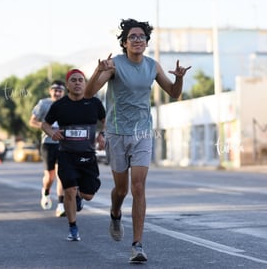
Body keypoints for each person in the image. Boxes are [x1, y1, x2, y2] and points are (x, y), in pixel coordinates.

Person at [84, 18, 191, 263]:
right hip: (117, 133)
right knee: (121, 190)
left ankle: (137, 245)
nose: (137, 40)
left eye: (141, 37)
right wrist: (98, 71)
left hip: (143, 133)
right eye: (132, 37)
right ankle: (115, 212)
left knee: (139, 187)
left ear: (146, 42)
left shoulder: (153, 66)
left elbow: (174, 94)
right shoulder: (114, 65)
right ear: (124, 43)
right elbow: (89, 93)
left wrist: (180, 78)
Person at [41, 69, 106, 241]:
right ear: (68, 84)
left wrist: (102, 135)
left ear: (85, 84)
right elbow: (45, 124)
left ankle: (80, 196)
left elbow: (107, 120)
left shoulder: (94, 103)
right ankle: (73, 228)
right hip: (66, 155)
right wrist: (51, 133)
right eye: (74, 80)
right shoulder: (60, 105)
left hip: (87, 156)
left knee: (88, 195)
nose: (77, 83)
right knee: (68, 190)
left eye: (80, 80)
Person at [29, 80, 66, 217]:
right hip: (48, 143)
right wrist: (47, 128)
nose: (57, 93)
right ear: (50, 91)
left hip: (63, 143)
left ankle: (61, 206)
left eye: (60, 90)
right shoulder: (43, 104)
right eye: (55, 90)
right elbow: (32, 121)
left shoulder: (66, 104)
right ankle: (46, 191)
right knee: (50, 176)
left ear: (63, 92)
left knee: (61, 174)